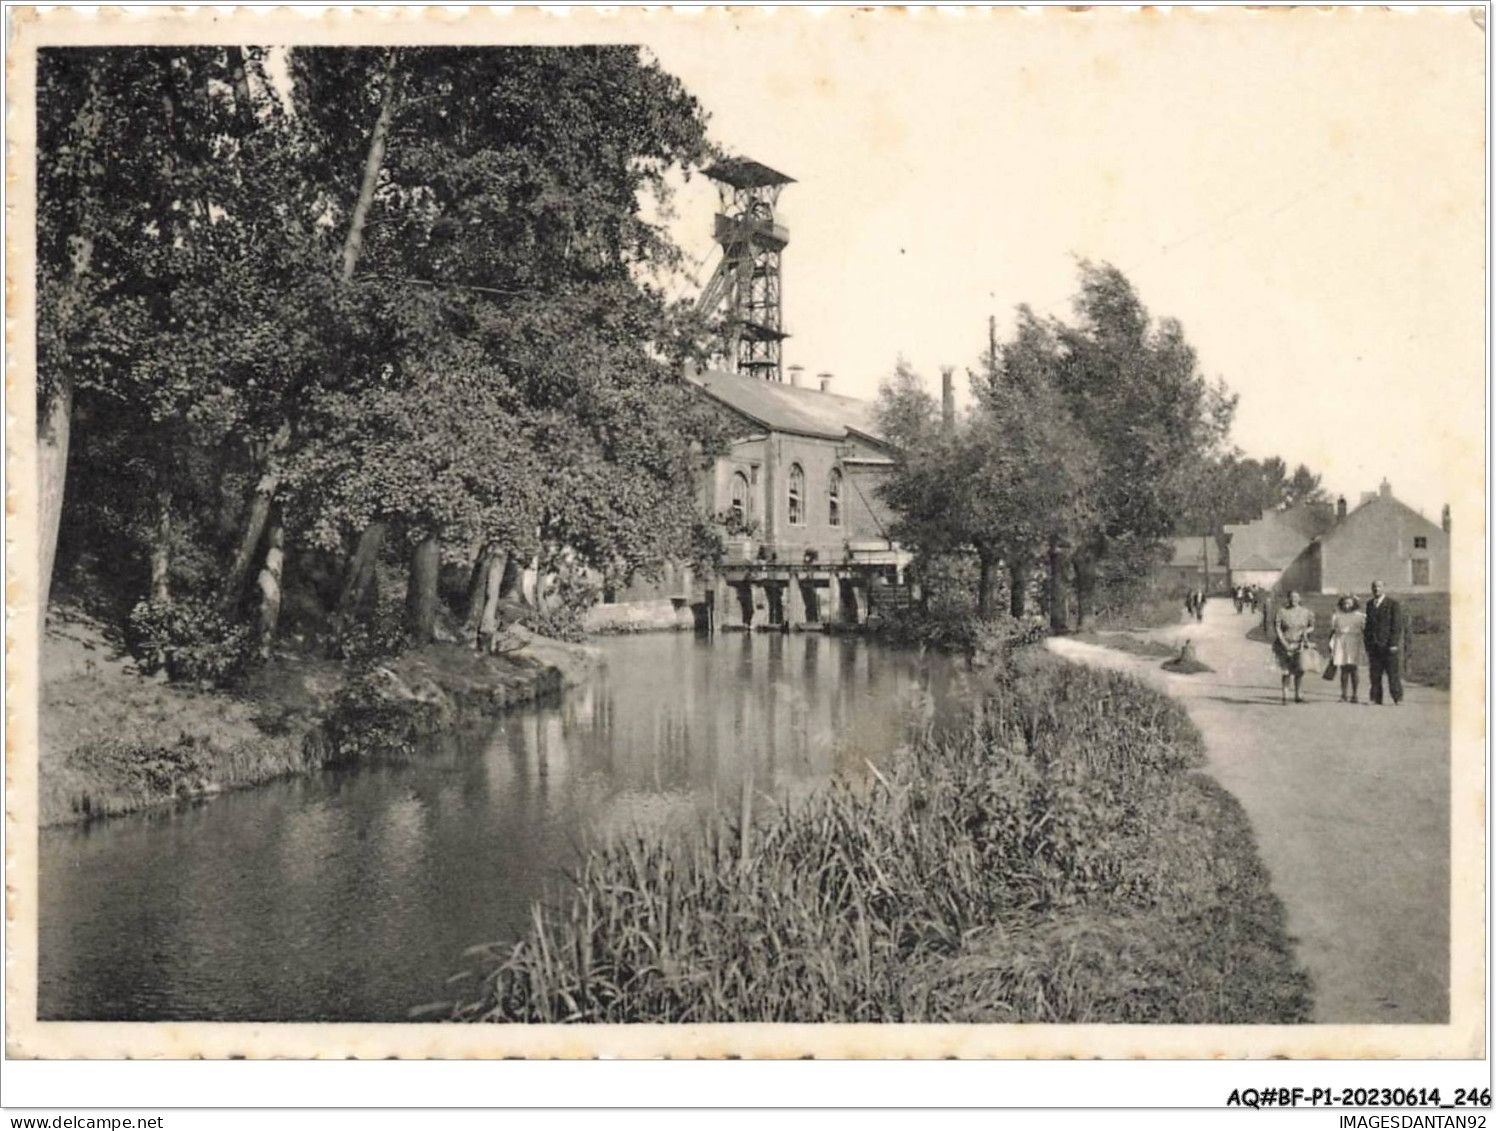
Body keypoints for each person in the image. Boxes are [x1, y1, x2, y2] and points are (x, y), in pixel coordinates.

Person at [1363, 579, 1404, 705]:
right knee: (1375, 673)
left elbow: (1396, 625)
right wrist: (1368, 643)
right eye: (1374, 587)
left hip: (1388, 645)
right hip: (1374, 645)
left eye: (1379, 587)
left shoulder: (1392, 604)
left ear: (1384, 588)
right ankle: (1376, 698)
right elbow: (1368, 625)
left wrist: (1393, 643)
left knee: (1392, 673)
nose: (1376, 589)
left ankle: (1397, 697)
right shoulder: (1370, 604)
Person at [1273, 589, 1316, 704]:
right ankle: (1285, 696)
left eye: (1296, 597)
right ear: (1288, 599)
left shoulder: (1306, 612)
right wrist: (1283, 642)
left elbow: (1312, 626)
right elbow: (1277, 627)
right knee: (1286, 671)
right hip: (1284, 644)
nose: (1294, 600)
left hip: (1299, 644)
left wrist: (1306, 632)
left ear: (1300, 599)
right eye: (1291, 597)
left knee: (1299, 670)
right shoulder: (1282, 612)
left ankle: (1298, 695)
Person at [1328, 594, 1367, 703]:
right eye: (1345, 603)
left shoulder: (1360, 616)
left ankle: (1355, 695)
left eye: (1349, 603)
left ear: (1354, 604)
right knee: (1343, 669)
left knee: (1354, 668)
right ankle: (1343, 694)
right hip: (1341, 641)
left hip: (1354, 641)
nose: (1347, 606)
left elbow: (1364, 630)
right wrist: (1330, 645)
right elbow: (1332, 630)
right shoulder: (1337, 615)